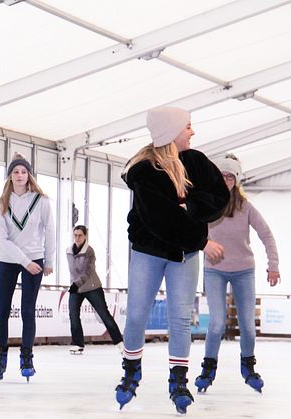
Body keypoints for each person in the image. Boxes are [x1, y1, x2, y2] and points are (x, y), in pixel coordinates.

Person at [115, 107, 229, 414]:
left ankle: (179, 381)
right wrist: (202, 239)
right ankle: (131, 370)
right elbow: (160, 220)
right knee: (137, 315)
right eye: (188, 126)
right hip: (148, 252)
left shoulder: (196, 162)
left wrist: (187, 205)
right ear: (171, 131)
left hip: (184, 254)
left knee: (180, 319)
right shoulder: (144, 170)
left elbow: (219, 199)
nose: (192, 132)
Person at [194, 154, 281, 394]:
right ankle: (208, 368)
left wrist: (273, 265)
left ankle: (248, 367)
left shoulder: (245, 207)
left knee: (248, 325)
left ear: (237, 180)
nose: (226, 179)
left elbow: (267, 235)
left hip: (243, 270)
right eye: (222, 175)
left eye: (230, 176)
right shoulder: (206, 203)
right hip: (214, 270)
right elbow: (191, 230)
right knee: (217, 323)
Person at [0, 153, 55, 382]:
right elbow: (2, 240)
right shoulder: (0, 204)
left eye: (23, 172)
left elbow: (50, 231)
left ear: (29, 175)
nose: (20, 175)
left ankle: (27, 358)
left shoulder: (41, 201)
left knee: (27, 310)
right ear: (10, 176)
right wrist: (25, 262)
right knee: (2, 310)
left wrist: (48, 261)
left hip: (35, 258)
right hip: (9, 260)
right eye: (15, 172)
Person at [66, 225, 123, 355]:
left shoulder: (89, 251)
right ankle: (78, 343)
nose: (77, 238)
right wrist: (73, 284)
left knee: (104, 315)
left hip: (92, 287)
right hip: (76, 287)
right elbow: (72, 271)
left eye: (80, 235)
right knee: (73, 314)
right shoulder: (68, 251)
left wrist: (77, 283)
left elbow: (88, 270)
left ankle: (119, 342)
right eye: (75, 235)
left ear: (85, 236)